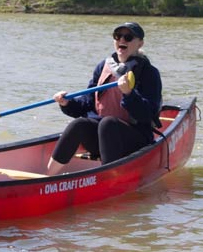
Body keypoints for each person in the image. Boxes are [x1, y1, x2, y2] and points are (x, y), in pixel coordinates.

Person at [45, 22, 163, 175]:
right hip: (102, 139)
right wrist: (67, 103)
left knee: (108, 123)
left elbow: (148, 114)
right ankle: (47, 177)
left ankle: (106, 178)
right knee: (79, 124)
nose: (122, 40)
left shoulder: (149, 73)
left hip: (135, 139)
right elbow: (86, 103)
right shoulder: (103, 67)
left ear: (140, 43)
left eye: (128, 37)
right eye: (118, 36)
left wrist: (129, 94)